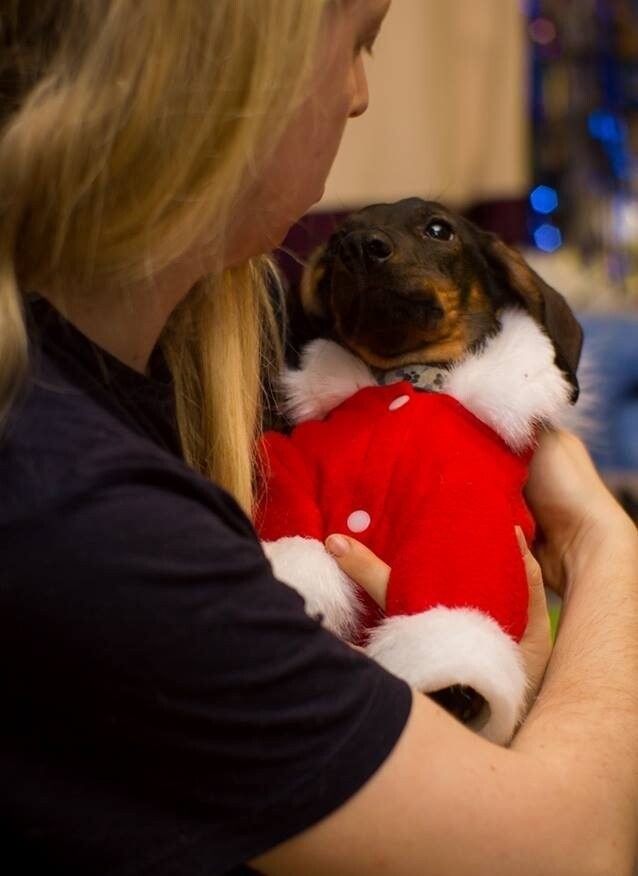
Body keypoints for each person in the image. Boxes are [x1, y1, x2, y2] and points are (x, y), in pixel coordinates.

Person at [0, 2, 637, 874]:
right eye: (358, 41)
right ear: (224, 65)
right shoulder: (78, 514)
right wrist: (608, 546)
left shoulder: (245, 333)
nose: (361, 95)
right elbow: (571, 853)